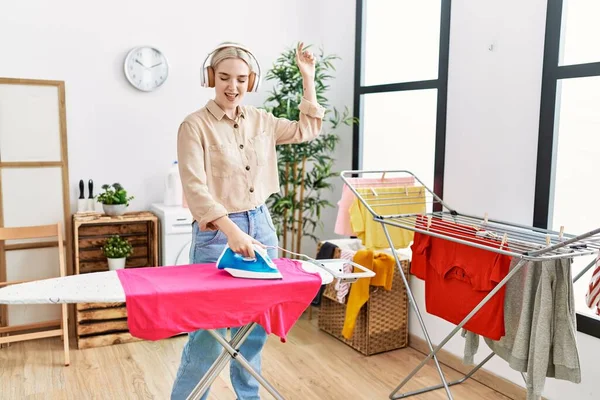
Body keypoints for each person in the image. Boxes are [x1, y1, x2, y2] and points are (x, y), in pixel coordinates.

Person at [171, 41, 325, 400]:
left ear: (251, 81)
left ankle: (249, 397)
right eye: (224, 77)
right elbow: (196, 191)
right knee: (209, 335)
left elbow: (307, 130)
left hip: (261, 225)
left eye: (241, 79)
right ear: (211, 77)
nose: (233, 86)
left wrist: (308, 78)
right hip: (217, 234)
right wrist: (232, 231)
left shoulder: (261, 120)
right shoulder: (193, 126)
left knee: (253, 331)